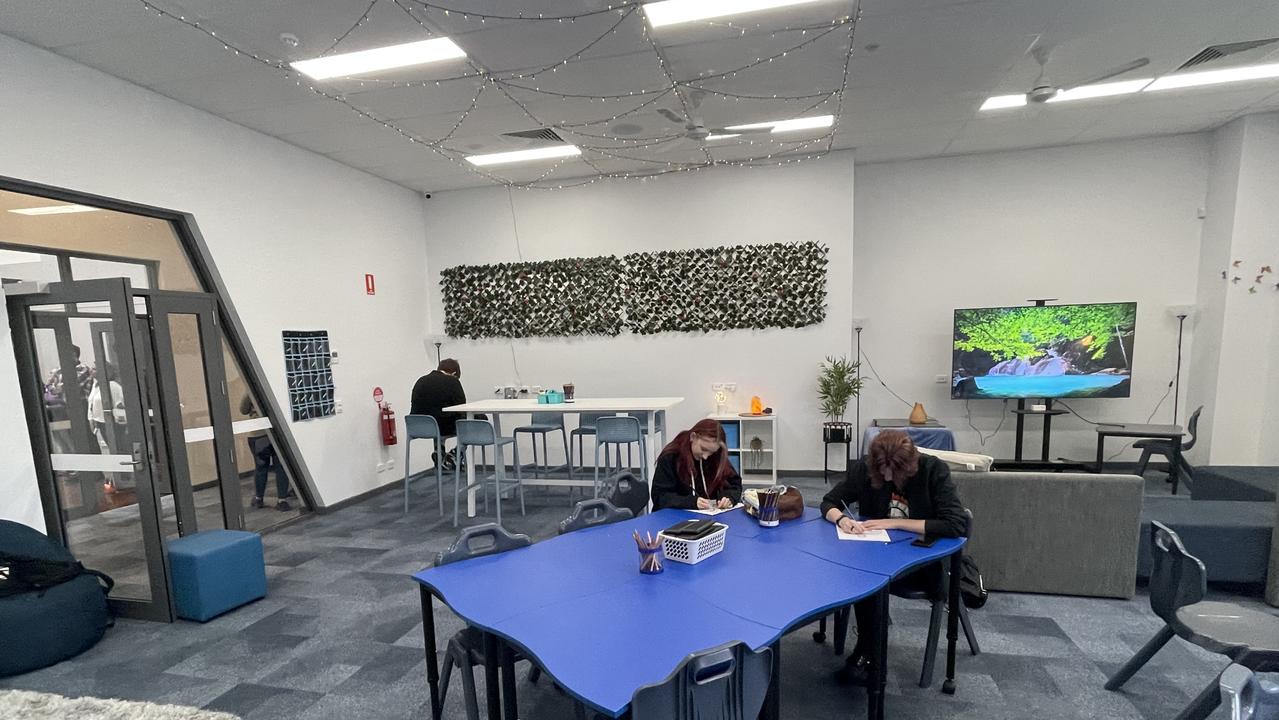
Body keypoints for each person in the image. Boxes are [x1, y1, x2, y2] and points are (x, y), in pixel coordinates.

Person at [820, 430, 966, 686]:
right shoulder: (866, 469)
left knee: (870, 581)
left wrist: (894, 523)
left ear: (909, 466)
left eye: (894, 472)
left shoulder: (933, 471)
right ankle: (871, 654)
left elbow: (955, 524)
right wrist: (842, 520)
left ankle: (870, 658)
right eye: (882, 470)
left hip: (922, 562)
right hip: (877, 556)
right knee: (863, 577)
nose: (887, 477)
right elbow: (829, 502)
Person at [651, 419, 743, 510]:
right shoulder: (671, 456)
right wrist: (691, 502)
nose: (706, 456)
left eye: (711, 452)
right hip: (674, 517)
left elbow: (734, 484)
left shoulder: (716, 456)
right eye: (703, 449)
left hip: (708, 517)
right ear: (693, 437)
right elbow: (660, 497)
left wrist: (728, 497)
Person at [410, 358, 470, 470]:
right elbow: (462, 407)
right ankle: (455, 454)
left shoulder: (420, 380)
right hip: (442, 426)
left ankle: (439, 452)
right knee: (477, 420)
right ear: (454, 373)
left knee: (437, 419)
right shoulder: (453, 381)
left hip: (417, 427)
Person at [240, 394, 291, 511]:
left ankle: (259, 499)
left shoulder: (250, 390)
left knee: (261, 468)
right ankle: (282, 500)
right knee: (281, 467)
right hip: (278, 431)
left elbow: (243, 409)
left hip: (258, 434)